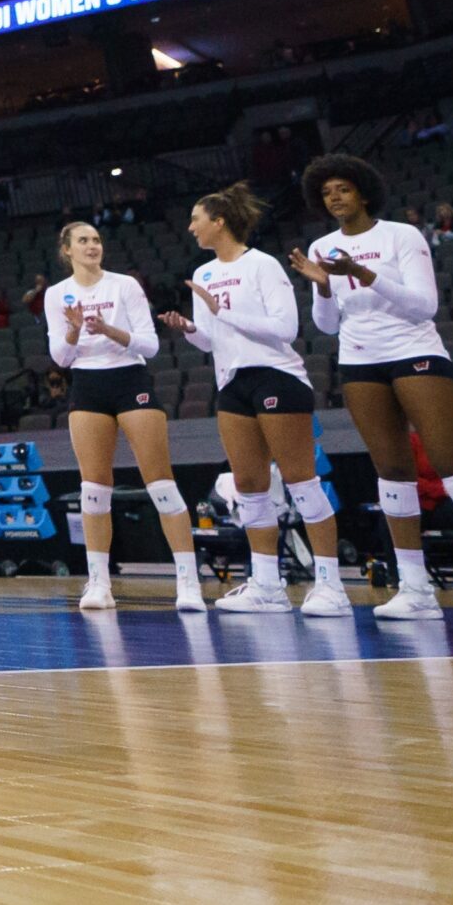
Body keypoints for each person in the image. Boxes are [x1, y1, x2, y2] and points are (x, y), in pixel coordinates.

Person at [292, 152, 453, 625]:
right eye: (327, 193)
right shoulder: (323, 246)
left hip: (414, 353)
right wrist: (324, 286)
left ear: (364, 192)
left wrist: (365, 273)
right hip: (359, 359)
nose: (335, 198)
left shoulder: (401, 235)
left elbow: (424, 306)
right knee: (390, 469)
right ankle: (415, 589)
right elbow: (326, 326)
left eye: (343, 189)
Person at [155, 183, 352, 616]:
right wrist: (189, 327)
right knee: (248, 486)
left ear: (219, 221)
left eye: (196, 218)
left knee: (301, 482)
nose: (190, 227)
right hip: (233, 382)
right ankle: (267, 586)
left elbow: (285, 329)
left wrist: (221, 311)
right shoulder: (203, 274)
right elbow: (210, 342)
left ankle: (331, 586)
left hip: (277, 377)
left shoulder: (261, 265)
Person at [46, 221, 204, 611]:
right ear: (66, 249)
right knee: (94, 488)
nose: (92, 245)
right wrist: (74, 331)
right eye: (83, 240)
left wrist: (110, 331)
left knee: (161, 483)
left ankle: (188, 584)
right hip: (87, 384)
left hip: (130, 378)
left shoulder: (124, 285)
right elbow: (61, 358)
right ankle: (99, 584)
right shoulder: (56, 294)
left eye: (97, 239)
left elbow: (149, 345)